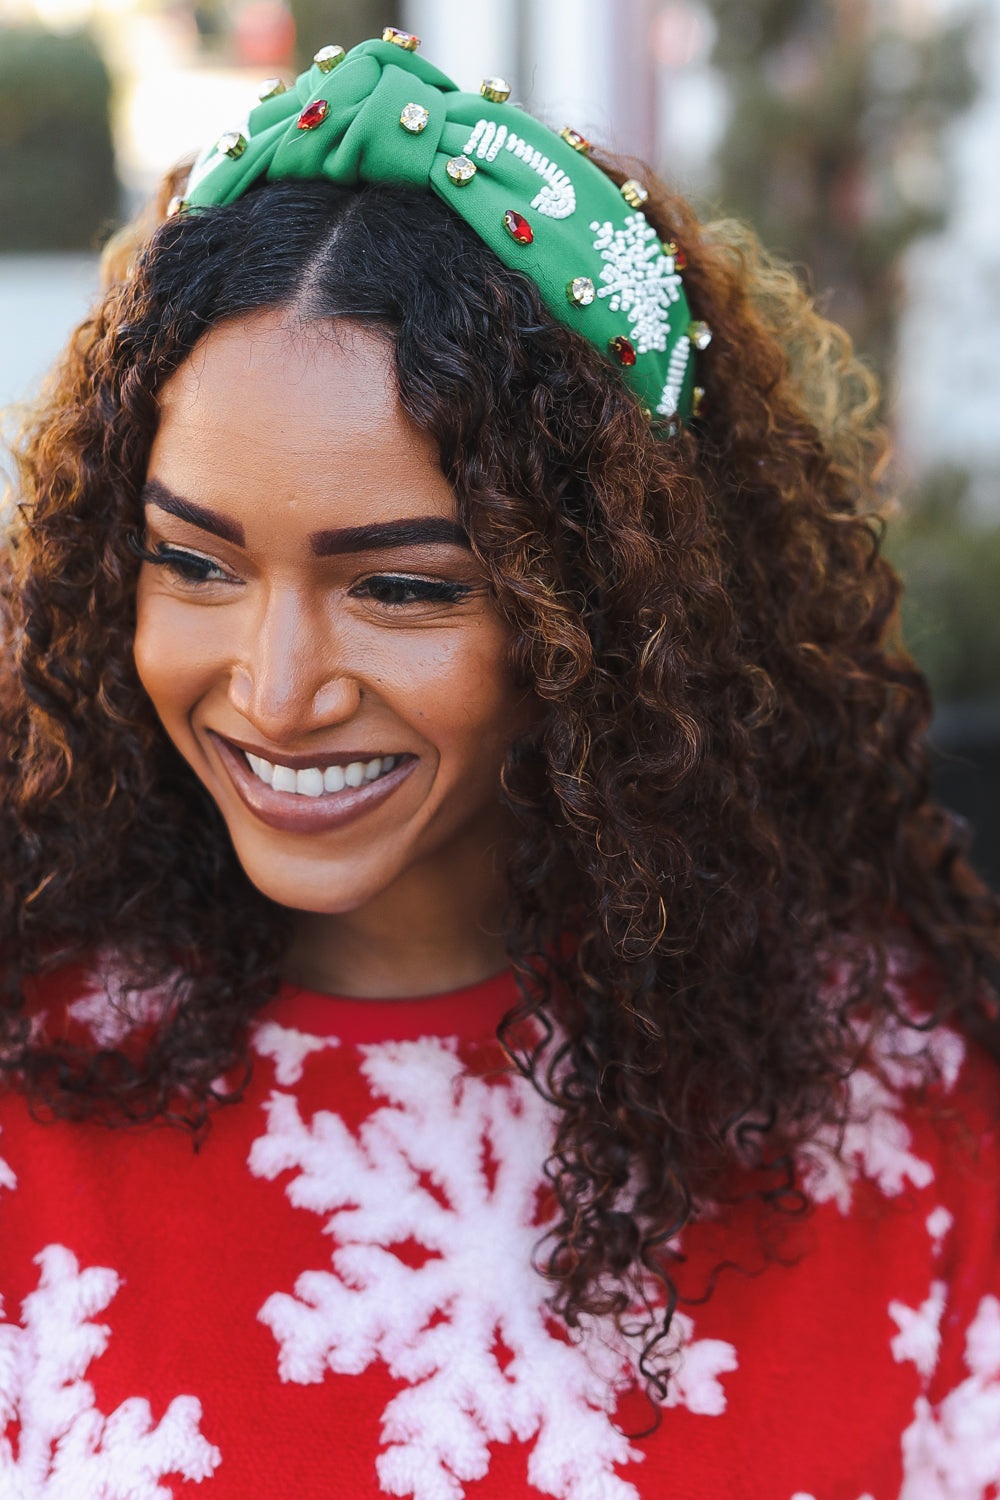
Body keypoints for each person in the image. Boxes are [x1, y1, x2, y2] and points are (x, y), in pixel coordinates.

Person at [1, 29, 998, 1500]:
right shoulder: (35, 1075)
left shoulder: (896, 1105)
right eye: (192, 563)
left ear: (607, 612)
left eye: (403, 588)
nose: (274, 693)